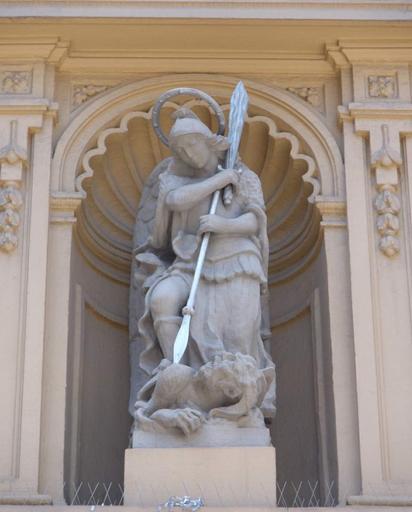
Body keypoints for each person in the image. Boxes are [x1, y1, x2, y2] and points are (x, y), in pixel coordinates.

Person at [132, 107, 276, 420]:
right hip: (190, 262)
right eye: (180, 149)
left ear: (209, 142)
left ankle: (238, 403)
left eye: (192, 144)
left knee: (237, 334)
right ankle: (176, 376)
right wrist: (219, 180)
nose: (188, 153)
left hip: (237, 260)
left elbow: (254, 221)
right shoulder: (174, 179)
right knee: (162, 299)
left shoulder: (244, 177)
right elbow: (176, 201)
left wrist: (223, 225)